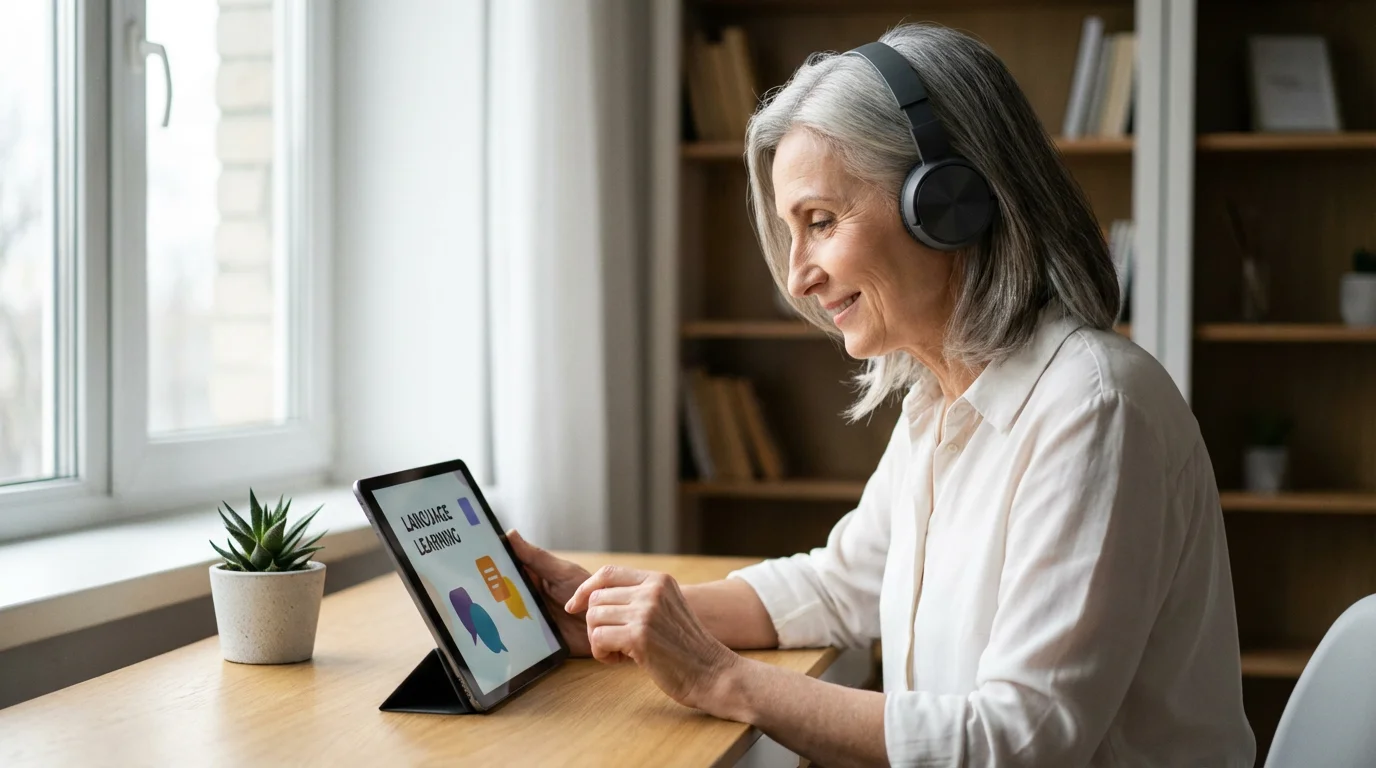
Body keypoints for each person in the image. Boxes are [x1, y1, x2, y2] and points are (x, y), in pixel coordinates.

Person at [509, 22, 1256, 767]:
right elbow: (839, 587)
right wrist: (612, 616)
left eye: (822, 222)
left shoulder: (1093, 412)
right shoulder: (944, 398)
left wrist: (718, 677)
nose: (798, 275)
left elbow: (1020, 744)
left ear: (948, 202)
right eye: (790, 232)